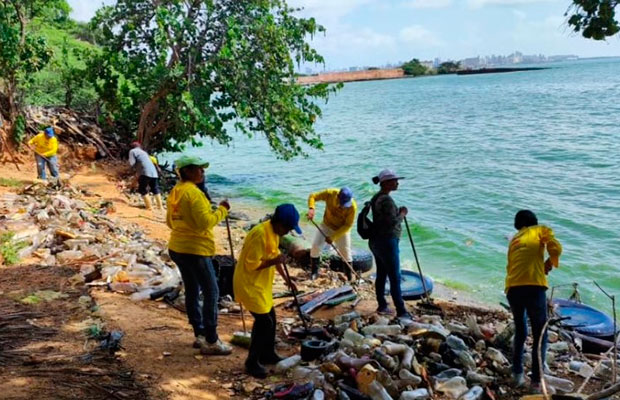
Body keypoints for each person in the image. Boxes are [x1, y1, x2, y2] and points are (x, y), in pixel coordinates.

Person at [166, 155, 232, 356]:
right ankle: (211, 340)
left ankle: (199, 334)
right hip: (195, 250)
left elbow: (170, 222)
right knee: (212, 292)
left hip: (177, 247)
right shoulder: (193, 194)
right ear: (187, 171)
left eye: (203, 169)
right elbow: (205, 222)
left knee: (192, 290)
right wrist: (222, 210)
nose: (203, 172)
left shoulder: (176, 191)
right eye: (199, 169)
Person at [233, 204, 301, 379]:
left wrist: (287, 280)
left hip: (261, 285)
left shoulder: (274, 233)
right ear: (278, 223)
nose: (288, 232)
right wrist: (273, 261)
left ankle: (268, 353)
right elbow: (252, 265)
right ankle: (251, 362)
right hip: (249, 284)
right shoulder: (259, 234)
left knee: (271, 317)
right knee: (264, 323)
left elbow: (275, 257)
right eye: (287, 228)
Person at [506, 209, 562, 391]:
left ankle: (517, 374)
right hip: (534, 287)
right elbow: (556, 248)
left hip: (513, 289)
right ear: (534, 222)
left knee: (521, 330)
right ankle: (536, 382)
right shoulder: (540, 230)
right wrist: (551, 261)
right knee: (540, 334)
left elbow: (513, 267)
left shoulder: (514, 240)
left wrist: (543, 265)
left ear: (518, 225)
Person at [369, 169, 412, 320]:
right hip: (387, 242)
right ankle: (401, 310)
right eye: (394, 181)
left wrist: (397, 213)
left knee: (381, 274)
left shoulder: (377, 197)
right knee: (395, 277)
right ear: (386, 183)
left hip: (376, 241)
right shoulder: (386, 200)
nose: (397, 183)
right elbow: (391, 223)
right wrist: (402, 214)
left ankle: (382, 304)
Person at [307, 187, 357, 280]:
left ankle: (349, 276)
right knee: (315, 247)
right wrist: (311, 209)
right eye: (342, 204)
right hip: (327, 225)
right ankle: (314, 272)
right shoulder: (330, 193)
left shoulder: (352, 207)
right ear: (337, 197)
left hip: (341, 230)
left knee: (345, 252)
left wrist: (333, 237)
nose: (343, 207)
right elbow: (312, 196)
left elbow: (348, 225)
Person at [128, 141, 162, 210]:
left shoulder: (132, 151)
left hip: (145, 172)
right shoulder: (144, 152)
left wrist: (129, 170)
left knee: (142, 189)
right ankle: (160, 207)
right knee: (155, 189)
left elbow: (132, 163)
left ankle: (149, 207)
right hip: (154, 173)